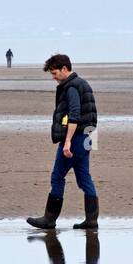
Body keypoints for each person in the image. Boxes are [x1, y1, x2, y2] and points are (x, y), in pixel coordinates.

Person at [28, 54, 99, 230]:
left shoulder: (72, 87)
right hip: (90, 135)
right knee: (84, 178)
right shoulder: (83, 83)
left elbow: (74, 115)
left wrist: (67, 142)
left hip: (78, 136)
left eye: (54, 73)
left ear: (65, 69)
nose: (53, 77)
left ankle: (49, 219)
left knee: (57, 176)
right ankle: (91, 221)